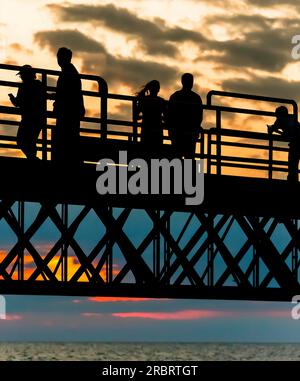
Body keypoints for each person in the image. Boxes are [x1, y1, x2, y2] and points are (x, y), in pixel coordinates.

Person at [52, 47, 85, 166]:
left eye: (60, 57)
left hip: (68, 111)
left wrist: (57, 103)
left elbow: (66, 93)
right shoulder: (70, 71)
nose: (59, 60)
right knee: (70, 136)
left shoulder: (67, 72)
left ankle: (71, 161)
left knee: (67, 137)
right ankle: (73, 160)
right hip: (72, 110)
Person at [9, 65, 45, 160]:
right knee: (31, 141)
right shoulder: (39, 85)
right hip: (38, 119)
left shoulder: (23, 86)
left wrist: (11, 97)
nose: (21, 77)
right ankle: (33, 158)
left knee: (21, 140)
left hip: (27, 119)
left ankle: (32, 158)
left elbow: (17, 103)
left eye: (21, 75)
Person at [168, 73, 203, 158]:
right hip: (190, 133)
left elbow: (169, 114)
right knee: (189, 158)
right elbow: (199, 116)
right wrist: (197, 128)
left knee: (177, 158)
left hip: (177, 132)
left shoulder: (175, 96)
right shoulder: (196, 98)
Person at [267, 105, 300, 182]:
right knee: (293, 166)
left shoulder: (280, 120)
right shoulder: (292, 118)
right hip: (296, 142)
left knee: (292, 165)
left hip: (295, 144)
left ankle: (292, 181)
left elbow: (273, 128)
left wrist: (271, 129)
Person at [135, 80, 166, 156]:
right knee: (156, 154)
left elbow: (136, 116)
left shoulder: (144, 100)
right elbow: (166, 118)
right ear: (158, 89)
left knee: (145, 154)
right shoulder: (162, 101)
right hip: (157, 130)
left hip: (146, 129)